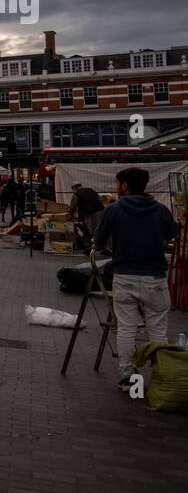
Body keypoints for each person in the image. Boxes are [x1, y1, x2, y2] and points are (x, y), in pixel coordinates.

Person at [91, 167, 179, 391]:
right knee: (157, 329)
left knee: (127, 328)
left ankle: (128, 377)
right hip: (155, 276)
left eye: (117, 183)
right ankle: (161, 375)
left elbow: (99, 241)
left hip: (125, 275)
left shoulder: (114, 210)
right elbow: (171, 233)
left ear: (125, 186)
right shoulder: (159, 209)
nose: (116, 187)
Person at [69, 180, 105, 251]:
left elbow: (72, 206)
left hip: (90, 214)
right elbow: (99, 199)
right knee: (101, 229)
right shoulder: (91, 190)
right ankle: (105, 247)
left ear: (74, 188)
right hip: (101, 211)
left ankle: (88, 247)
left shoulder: (77, 193)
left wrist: (70, 213)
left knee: (87, 229)